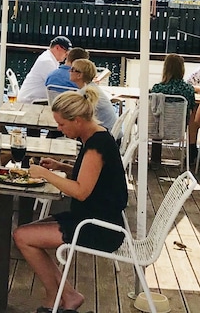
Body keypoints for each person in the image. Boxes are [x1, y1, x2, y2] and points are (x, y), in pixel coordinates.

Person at [12, 87, 128, 312]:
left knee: (22, 237)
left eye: (62, 124)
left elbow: (81, 191)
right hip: (92, 216)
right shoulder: (96, 135)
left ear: (77, 120)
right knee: (25, 234)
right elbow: (95, 177)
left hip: (99, 227)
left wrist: (46, 174)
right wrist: (60, 166)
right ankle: (67, 295)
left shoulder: (97, 144)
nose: (59, 129)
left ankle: (56, 296)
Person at [150, 54, 199, 160]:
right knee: (194, 112)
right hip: (179, 128)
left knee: (157, 118)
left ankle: (155, 158)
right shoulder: (188, 89)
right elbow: (191, 107)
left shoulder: (157, 88)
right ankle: (191, 153)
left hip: (158, 127)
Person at [17, 36, 72, 103]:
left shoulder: (50, 58)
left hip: (34, 99)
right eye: (66, 52)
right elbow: (56, 85)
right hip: (30, 101)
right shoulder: (47, 61)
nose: (66, 55)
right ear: (57, 47)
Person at [68, 59, 118, 131]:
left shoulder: (85, 93)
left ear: (79, 75)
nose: (69, 71)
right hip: (111, 131)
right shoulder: (92, 88)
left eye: (72, 69)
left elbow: (72, 114)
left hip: (104, 133)